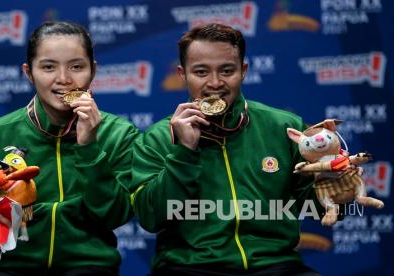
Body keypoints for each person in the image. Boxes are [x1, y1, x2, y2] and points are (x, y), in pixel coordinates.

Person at [0, 21, 139, 276]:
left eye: (77, 67)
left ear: (93, 70)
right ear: (28, 73)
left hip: (86, 268)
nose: (64, 79)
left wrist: (89, 146)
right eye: (48, 67)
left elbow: (115, 216)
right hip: (5, 268)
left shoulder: (119, 134)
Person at [129, 23, 324, 275]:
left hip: (275, 266)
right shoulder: (158, 138)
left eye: (227, 70)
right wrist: (184, 152)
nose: (215, 83)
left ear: (243, 71)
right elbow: (151, 218)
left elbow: (321, 209)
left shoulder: (285, 127)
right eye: (201, 72)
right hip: (189, 267)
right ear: (182, 75)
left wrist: (332, 189)